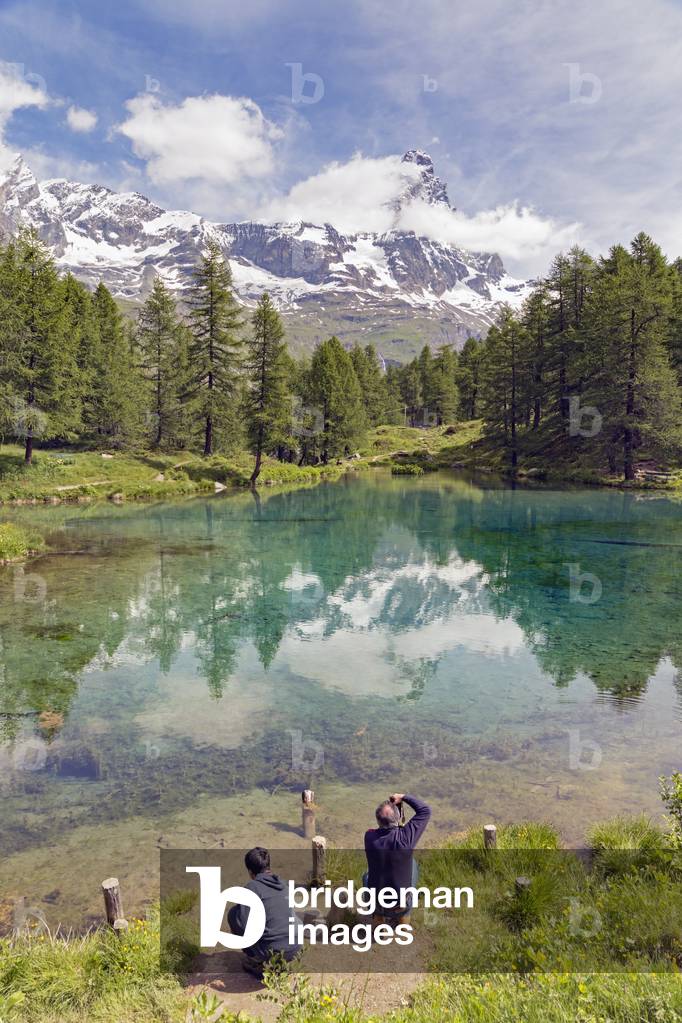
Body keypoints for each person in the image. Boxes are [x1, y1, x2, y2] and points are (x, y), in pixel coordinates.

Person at [227, 847, 301, 977]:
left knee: (234, 914)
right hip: (296, 947)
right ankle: (283, 961)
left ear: (250, 871)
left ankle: (256, 961)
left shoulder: (252, 887)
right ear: (268, 865)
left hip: (272, 951)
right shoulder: (284, 885)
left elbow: (242, 924)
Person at [364, 792, 431, 925]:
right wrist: (403, 797)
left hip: (376, 903)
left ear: (378, 821)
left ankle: (378, 919)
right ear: (398, 817)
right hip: (400, 907)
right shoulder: (405, 839)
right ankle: (403, 921)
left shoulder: (369, 837)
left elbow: (379, 831)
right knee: (413, 865)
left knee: (366, 876)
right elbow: (425, 810)